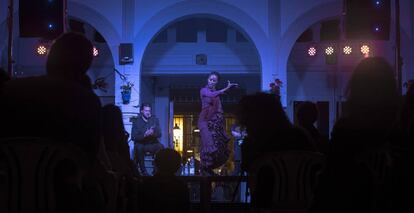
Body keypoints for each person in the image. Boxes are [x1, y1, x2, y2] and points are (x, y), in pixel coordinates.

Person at [198, 71, 238, 176]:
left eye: (214, 80)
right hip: (205, 119)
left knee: (218, 144)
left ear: (216, 82)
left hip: (215, 120)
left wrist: (220, 119)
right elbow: (211, 94)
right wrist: (226, 88)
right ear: (207, 79)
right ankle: (205, 168)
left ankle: (209, 168)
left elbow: (218, 107)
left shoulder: (217, 93)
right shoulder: (203, 90)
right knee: (208, 143)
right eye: (210, 79)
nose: (211, 82)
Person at [131, 103, 164, 176]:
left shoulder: (154, 120)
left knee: (161, 146)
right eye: (146, 111)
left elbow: (159, 134)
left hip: (152, 144)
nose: (148, 112)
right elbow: (133, 137)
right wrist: (144, 135)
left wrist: (152, 133)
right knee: (138, 147)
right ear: (142, 111)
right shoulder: (136, 121)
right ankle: (144, 172)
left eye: (149, 110)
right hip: (142, 144)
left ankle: (156, 170)